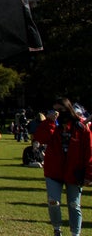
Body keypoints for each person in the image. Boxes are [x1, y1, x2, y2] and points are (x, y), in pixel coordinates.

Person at [34, 98, 92, 236]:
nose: (58, 113)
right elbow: (40, 138)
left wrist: (89, 175)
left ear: (68, 109)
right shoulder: (53, 126)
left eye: (60, 110)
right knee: (53, 201)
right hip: (54, 171)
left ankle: (75, 233)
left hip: (74, 172)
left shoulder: (81, 128)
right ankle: (57, 230)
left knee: (74, 205)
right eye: (54, 110)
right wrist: (49, 122)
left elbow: (89, 152)